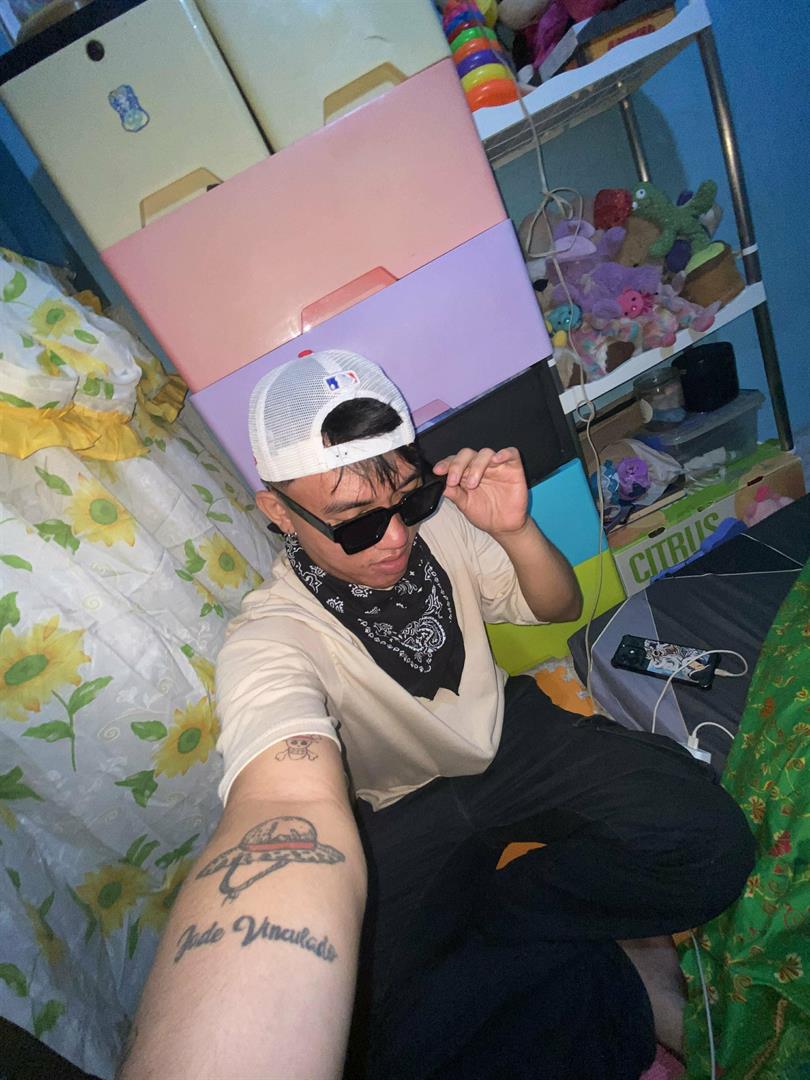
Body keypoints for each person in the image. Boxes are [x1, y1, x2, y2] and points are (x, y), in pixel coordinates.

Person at [120, 350, 754, 1080]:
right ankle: (540, 949)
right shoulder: (272, 637)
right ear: (279, 513)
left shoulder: (443, 526)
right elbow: (279, 801)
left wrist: (515, 530)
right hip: (395, 810)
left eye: (409, 501)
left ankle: (516, 916)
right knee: (378, 1042)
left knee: (708, 846)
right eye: (355, 525)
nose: (395, 538)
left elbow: (561, 606)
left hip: (509, 737)